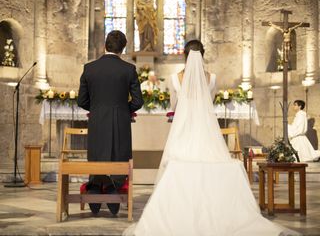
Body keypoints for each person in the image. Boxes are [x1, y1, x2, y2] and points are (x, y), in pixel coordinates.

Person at [123, 41, 300, 235]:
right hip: (207, 134)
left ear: (185, 55)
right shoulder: (212, 78)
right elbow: (210, 102)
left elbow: (174, 107)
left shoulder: (174, 79)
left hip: (183, 132)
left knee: (178, 167)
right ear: (203, 55)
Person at [77, 30, 143, 215]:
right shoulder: (128, 69)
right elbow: (138, 101)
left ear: (105, 45)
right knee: (118, 156)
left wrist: (97, 108)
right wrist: (123, 110)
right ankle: (114, 190)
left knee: (97, 156)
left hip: (97, 122)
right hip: (120, 123)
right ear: (123, 48)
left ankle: (95, 189)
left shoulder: (89, 68)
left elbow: (82, 101)